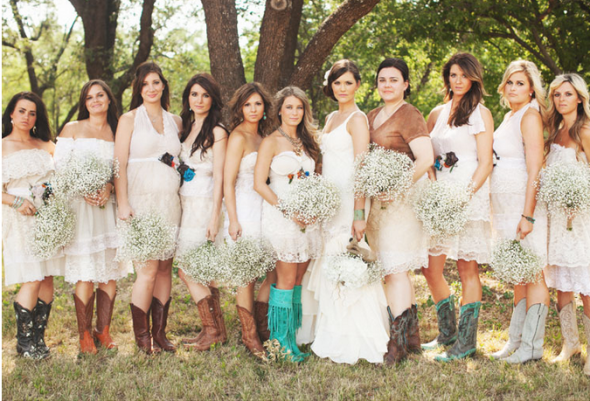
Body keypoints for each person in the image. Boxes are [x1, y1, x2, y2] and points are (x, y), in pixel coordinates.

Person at [310, 59, 389, 365]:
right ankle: (331, 332)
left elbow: (361, 168)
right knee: (330, 261)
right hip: (329, 200)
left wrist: (359, 212)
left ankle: (356, 338)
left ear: (358, 85)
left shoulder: (357, 120)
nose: (342, 88)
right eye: (337, 83)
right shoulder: (330, 118)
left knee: (347, 258)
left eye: (348, 82)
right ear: (330, 86)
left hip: (348, 199)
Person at [421, 53, 494, 361]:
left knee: (467, 267)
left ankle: (465, 343)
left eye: (464, 75)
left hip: (468, 194)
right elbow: (427, 154)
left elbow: (485, 162)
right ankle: (447, 332)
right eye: (453, 75)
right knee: (429, 266)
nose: (458, 80)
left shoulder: (480, 113)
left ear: (473, 78)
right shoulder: (436, 113)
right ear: (447, 78)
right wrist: (435, 185)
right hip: (440, 195)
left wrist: (464, 195)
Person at [365, 58, 434, 364]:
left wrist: (396, 187)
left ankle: (398, 344)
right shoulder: (371, 116)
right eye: (382, 80)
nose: (387, 85)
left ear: (405, 84)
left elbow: (425, 158)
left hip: (402, 203)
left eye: (394, 79)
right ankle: (412, 337)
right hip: (377, 205)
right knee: (388, 271)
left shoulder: (410, 115)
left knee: (395, 270)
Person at [56, 80, 131, 354]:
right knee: (86, 273)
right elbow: (60, 170)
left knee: (109, 273)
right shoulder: (73, 129)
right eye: (90, 97)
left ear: (110, 99)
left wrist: (110, 187)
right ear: (84, 103)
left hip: (107, 207)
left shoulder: (118, 131)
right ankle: (84, 334)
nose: (96, 100)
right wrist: (81, 188)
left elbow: (121, 167)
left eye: (100, 95)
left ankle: (103, 331)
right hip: (81, 209)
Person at [114, 61, 182, 354]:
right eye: (145, 84)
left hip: (170, 202)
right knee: (148, 270)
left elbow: (181, 163)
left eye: (156, 82)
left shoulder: (176, 121)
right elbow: (118, 165)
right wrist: (124, 202)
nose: (151, 88)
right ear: (138, 89)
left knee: (165, 267)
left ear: (163, 85)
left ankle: (160, 333)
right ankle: (142, 338)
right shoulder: (129, 119)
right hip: (140, 203)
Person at [254, 86, 322, 362]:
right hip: (282, 217)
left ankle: (291, 339)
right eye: (289, 107)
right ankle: (279, 345)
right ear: (279, 110)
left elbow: (314, 179)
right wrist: (289, 211)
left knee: (297, 279)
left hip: (307, 219)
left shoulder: (308, 142)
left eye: (299, 108)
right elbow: (259, 184)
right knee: (283, 279)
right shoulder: (270, 141)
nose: (294, 112)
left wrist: (314, 207)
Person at [489, 60, 549, 363]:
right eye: (510, 82)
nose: (513, 88)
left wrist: (528, 215)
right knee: (519, 274)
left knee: (534, 273)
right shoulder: (510, 115)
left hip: (522, 207)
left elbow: (535, 167)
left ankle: (533, 345)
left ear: (531, 89)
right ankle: (516, 340)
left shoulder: (530, 116)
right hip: (505, 206)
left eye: (520, 84)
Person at [2, 92, 62, 359]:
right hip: (18, 216)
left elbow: (60, 176)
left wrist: (49, 191)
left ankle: (39, 339)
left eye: (33, 112)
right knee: (32, 276)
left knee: (46, 275)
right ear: (11, 114)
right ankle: (24, 343)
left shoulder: (46, 144)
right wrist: (15, 201)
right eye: (22, 111)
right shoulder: (2, 145)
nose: (27, 117)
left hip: (46, 215)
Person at [223, 82, 277, 358]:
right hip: (242, 209)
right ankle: (250, 335)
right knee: (246, 276)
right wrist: (233, 219)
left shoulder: (265, 136)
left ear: (265, 108)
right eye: (248, 104)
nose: (253, 109)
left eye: (258, 104)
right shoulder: (239, 137)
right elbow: (228, 182)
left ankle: (263, 326)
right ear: (240, 108)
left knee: (271, 270)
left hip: (265, 208)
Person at [175, 73, 228, 351]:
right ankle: (215, 331)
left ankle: (212, 329)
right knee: (203, 271)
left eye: (205, 95)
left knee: (187, 270)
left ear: (213, 99)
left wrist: (215, 216)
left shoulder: (217, 131)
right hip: (186, 204)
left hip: (206, 205)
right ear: (188, 98)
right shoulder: (185, 127)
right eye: (194, 94)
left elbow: (220, 177)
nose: (199, 100)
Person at [543, 73, 590, 376]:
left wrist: (578, 198)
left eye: (568, 94)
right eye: (557, 95)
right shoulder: (554, 130)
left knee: (586, 285)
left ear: (580, 98)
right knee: (561, 283)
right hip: (556, 218)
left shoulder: (585, 129)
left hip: (581, 217)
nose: (562, 100)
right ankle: (570, 343)